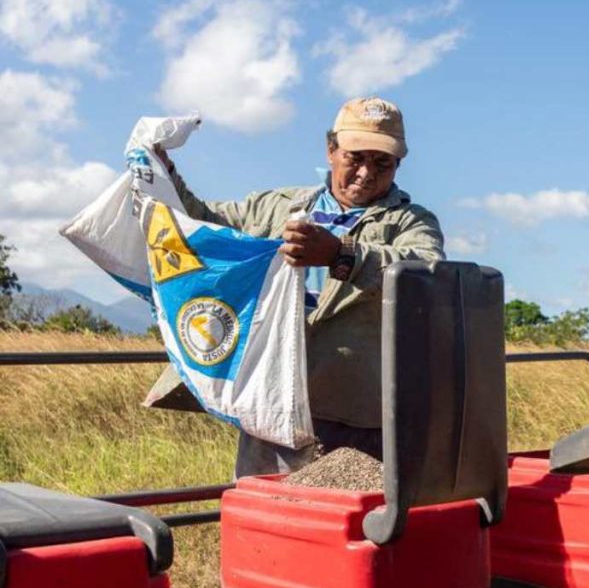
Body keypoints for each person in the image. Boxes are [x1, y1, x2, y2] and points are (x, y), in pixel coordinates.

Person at [148, 97, 445, 479]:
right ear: (331, 149)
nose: (366, 173)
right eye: (356, 157)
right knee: (270, 519)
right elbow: (204, 222)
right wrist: (163, 172)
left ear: (398, 164)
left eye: (382, 162)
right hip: (272, 403)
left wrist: (342, 254)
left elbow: (427, 270)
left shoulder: (409, 222)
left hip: (355, 413)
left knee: (345, 527)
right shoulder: (278, 206)